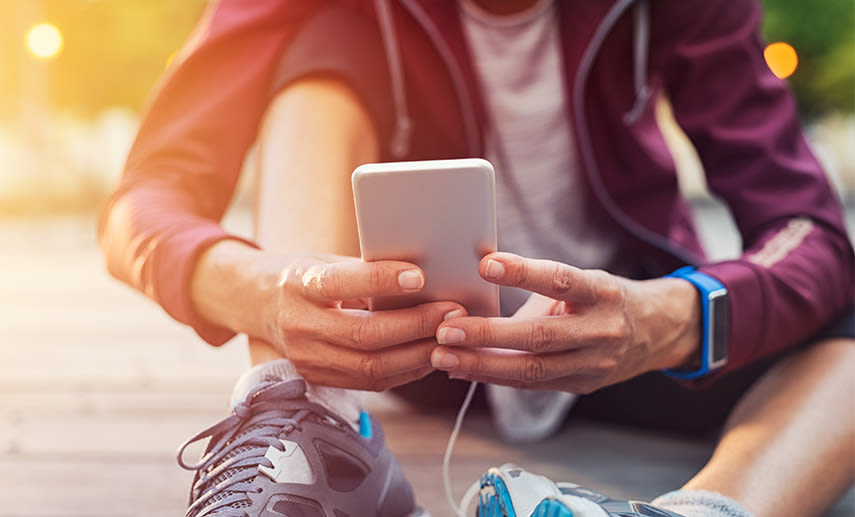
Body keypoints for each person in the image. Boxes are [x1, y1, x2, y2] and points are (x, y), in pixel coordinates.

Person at [98, 0, 854, 516]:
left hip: (625, 333)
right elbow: (144, 200)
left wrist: (672, 316)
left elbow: (809, 232)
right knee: (323, 45)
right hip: (418, 346)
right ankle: (300, 413)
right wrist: (255, 289)